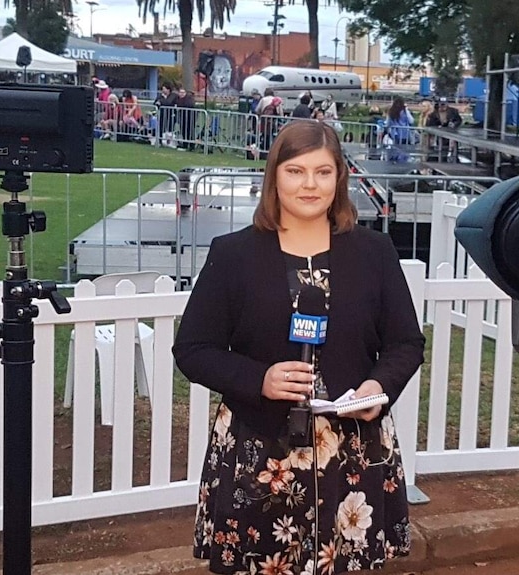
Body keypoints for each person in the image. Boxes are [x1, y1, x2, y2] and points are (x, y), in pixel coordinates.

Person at [173, 120, 425, 575]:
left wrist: (378, 386)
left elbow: (406, 342)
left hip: (351, 448)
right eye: (296, 171)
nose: (310, 184)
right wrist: (259, 379)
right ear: (274, 177)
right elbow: (193, 348)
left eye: (323, 172)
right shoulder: (234, 255)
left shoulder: (374, 252)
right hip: (260, 449)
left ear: (340, 179)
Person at [425, 97, 463, 162]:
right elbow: (429, 124)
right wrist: (436, 127)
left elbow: (459, 120)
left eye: (444, 104)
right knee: (440, 149)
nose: (443, 106)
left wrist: (454, 124)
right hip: (439, 136)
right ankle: (441, 160)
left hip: (451, 134)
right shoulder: (433, 114)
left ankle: (453, 160)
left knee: (453, 149)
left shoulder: (453, 111)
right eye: (441, 104)